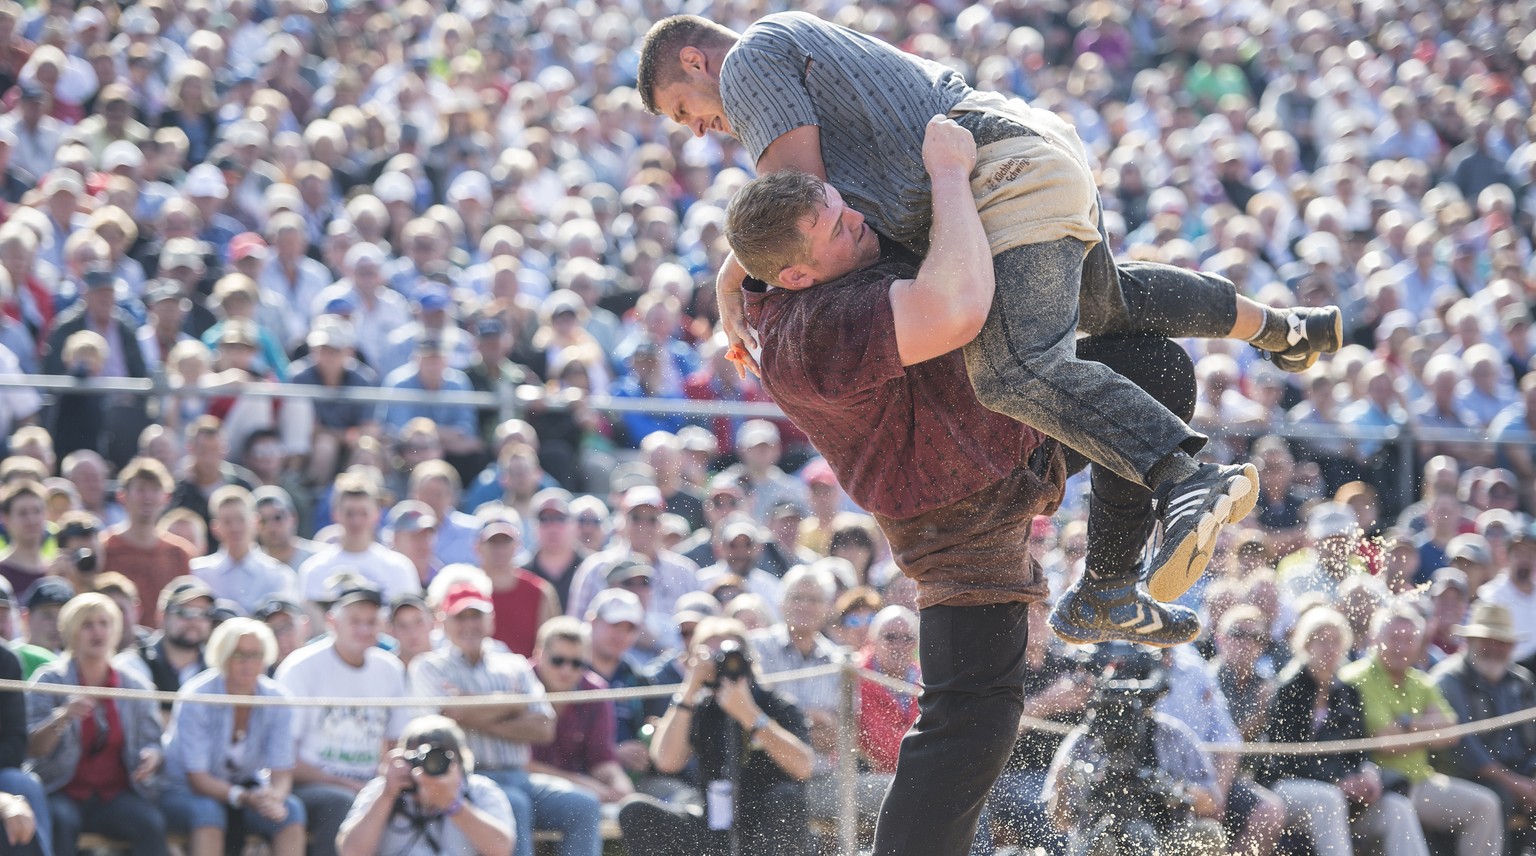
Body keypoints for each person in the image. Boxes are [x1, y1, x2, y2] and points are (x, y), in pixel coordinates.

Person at [637, 12, 1347, 601]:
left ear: (697, 62)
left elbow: (799, 202)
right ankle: (1281, 328)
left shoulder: (746, 63)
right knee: (1111, 300)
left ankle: (1189, 476)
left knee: (1011, 371)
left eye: (682, 111)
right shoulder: (781, 44)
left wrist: (738, 272)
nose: (698, 128)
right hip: (1021, 150)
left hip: (996, 169)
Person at [718, 117, 1218, 854]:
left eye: (839, 207)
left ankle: (1109, 583)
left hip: (1002, 439)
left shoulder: (800, 261)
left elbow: (762, 247)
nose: (856, 218)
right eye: (836, 225)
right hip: (954, 520)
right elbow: (956, 306)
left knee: (1154, 369)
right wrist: (949, 172)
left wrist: (727, 272)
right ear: (794, 275)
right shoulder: (812, 335)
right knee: (972, 720)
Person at [407, 579, 602, 856]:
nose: (469, 624)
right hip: (467, 779)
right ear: (443, 621)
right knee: (515, 804)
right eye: (460, 616)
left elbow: (544, 726)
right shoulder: (429, 666)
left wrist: (468, 709)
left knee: (584, 805)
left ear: (491, 620)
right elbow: (445, 717)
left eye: (476, 616)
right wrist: (513, 706)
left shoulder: (514, 664)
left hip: (518, 774)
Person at [617, 616, 812, 855]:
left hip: (765, 827)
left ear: (747, 658)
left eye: (729, 654)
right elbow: (666, 761)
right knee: (636, 811)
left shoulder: (775, 705)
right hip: (713, 824)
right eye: (711, 656)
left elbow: (804, 767)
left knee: (787, 799)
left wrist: (751, 716)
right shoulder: (699, 708)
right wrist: (690, 687)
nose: (722, 663)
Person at [1261, 607, 1429, 856]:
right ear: (1306, 645)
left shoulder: (1348, 693)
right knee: (1329, 799)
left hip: (1340, 790)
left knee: (1398, 807)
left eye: (1336, 641)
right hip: (1289, 786)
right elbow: (1285, 758)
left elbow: (1360, 749)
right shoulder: (1288, 690)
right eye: (1322, 640)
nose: (1330, 648)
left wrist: (1367, 773)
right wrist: (1337, 781)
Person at [1341, 603, 1505, 854]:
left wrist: (1406, 724)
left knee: (1486, 805)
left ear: (1419, 643)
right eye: (1393, 638)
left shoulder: (1421, 681)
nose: (1401, 646)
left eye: (1409, 639)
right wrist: (1428, 729)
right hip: (1381, 787)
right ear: (1376, 639)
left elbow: (1452, 733)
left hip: (1421, 781)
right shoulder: (1356, 677)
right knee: (1401, 811)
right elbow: (1385, 743)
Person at [273, 578, 410, 856]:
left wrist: (384, 783)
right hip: (309, 785)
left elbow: (397, 741)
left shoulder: (390, 669)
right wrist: (350, 784)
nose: (363, 629)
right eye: (355, 620)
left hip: (370, 784)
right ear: (332, 621)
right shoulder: (301, 668)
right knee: (342, 802)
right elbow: (282, 756)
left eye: (371, 621)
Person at [25, 593, 169, 856]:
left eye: (104, 623)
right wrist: (62, 716)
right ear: (70, 632)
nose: (97, 631)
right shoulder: (49, 679)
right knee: (61, 822)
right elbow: (32, 747)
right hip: (61, 789)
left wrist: (151, 756)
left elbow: (153, 741)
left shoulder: (135, 685)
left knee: (150, 823)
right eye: (87, 624)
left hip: (113, 795)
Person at [160, 618, 306, 856]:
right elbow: (197, 779)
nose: (249, 663)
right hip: (182, 791)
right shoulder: (197, 696)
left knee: (291, 809)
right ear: (223, 656)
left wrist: (273, 797)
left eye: (256, 655)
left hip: (248, 791)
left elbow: (282, 772)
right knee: (208, 811)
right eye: (240, 655)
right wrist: (245, 797)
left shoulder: (278, 699)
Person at [337, 715, 514, 856]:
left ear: (459, 762)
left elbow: (502, 850)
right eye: (421, 759)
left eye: (440, 759)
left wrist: (452, 804)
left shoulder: (479, 790)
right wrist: (387, 796)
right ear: (406, 759)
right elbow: (351, 852)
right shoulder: (382, 789)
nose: (430, 767)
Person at [1430, 602, 1536, 833]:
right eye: (1488, 640)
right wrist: (1519, 785)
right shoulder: (1448, 681)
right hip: (1469, 778)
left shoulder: (1521, 681)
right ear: (1471, 641)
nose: (1496, 648)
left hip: (1522, 775)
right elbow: (1467, 752)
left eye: (1503, 642)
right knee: (1498, 799)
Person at [528, 617, 633, 804]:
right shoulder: (518, 684)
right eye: (558, 660)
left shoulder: (596, 692)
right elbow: (519, 764)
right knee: (584, 804)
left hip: (578, 794)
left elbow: (600, 757)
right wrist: (580, 784)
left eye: (577, 663)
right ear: (538, 654)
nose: (567, 670)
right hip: (526, 787)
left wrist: (618, 783)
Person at [100, 457, 194, 624]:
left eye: (155, 489)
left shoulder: (179, 553)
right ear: (122, 496)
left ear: (166, 498)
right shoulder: (104, 548)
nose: (148, 497)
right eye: (141, 489)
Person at [190, 485, 298, 615]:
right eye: (227, 521)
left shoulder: (278, 576)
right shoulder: (198, 574)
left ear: (255, 522)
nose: (235, 528)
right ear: (215, 528)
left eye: (241, 519)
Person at [113, 576, 213, 715]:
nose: (194, 621)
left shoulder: (216, 668)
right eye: (185, 612)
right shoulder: (133, 663)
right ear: (162, 616)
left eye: (203, 613)